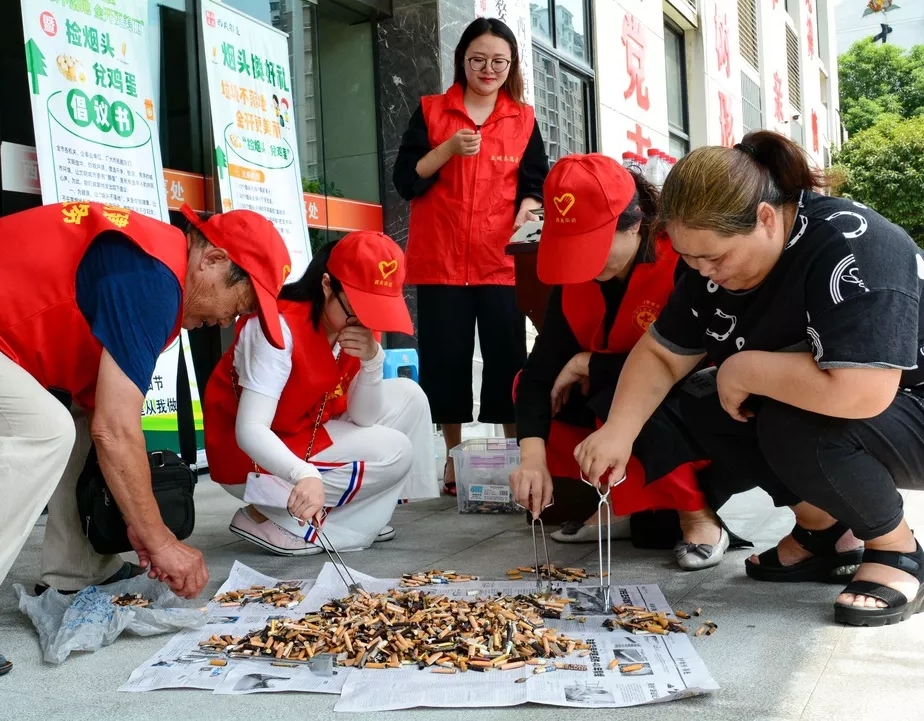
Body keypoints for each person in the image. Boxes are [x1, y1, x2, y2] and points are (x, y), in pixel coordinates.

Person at [0, 201, 291, 681]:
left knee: (78, 421)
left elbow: (107, 418)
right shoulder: (152, 276)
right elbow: (116, 430)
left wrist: (141, 528)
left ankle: (78, 571)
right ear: (214, 260)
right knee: (37, 431)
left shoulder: (155, 275)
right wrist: (159, 541)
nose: (227, 321)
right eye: (240, 305)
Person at [575, 130, 924, 627]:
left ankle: (895, 548)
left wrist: (746, 368)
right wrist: (618, 431)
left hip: (905, 400)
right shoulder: (705, 265)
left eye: (714, 257)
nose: (704, 272)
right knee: (700, 400)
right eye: (690, 258)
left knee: (793, 423)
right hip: (858, 403)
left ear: (765, 219)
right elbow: (662, 352)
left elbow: (862, 390)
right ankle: (822, 528)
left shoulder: (854, 248)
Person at [509, 154, 726, 570]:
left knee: (617, 398)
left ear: (636, 222)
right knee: (527, 386)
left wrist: (593, 364)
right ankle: (621, 507)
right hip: (609, 402)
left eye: (592, 245)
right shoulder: (577, 278)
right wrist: (531, 461)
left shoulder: (684, 262)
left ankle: (697, 517)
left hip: (693, 404)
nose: (584, 263)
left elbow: (702, 362)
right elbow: (540, 372)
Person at [204, 231, 439, 554]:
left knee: (410, 396)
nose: (365, 321)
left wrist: (373, 360)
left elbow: (365, 416)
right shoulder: (278, 330)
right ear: (327, 285)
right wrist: (303, 474)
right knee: (396, 450)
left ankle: (358, 511)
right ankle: (275, 519)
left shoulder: (351, 323)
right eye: (358, 308)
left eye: (377, 309)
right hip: (250, 458)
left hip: (304, 430)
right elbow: (250, 430)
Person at [393, 17, 550, 495]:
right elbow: (406, 179)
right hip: (441, 261)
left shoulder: (523, 118)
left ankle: (513, 455)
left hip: (500, 261)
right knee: (446, 360)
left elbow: (536, 183)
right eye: (478, 59)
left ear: (511, 65)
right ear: (462, 59)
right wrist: (447, 149)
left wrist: (528, 207)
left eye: (498, 61)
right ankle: (454, 459)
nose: (488, 69)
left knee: (507, 358)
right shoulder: (432, 111)